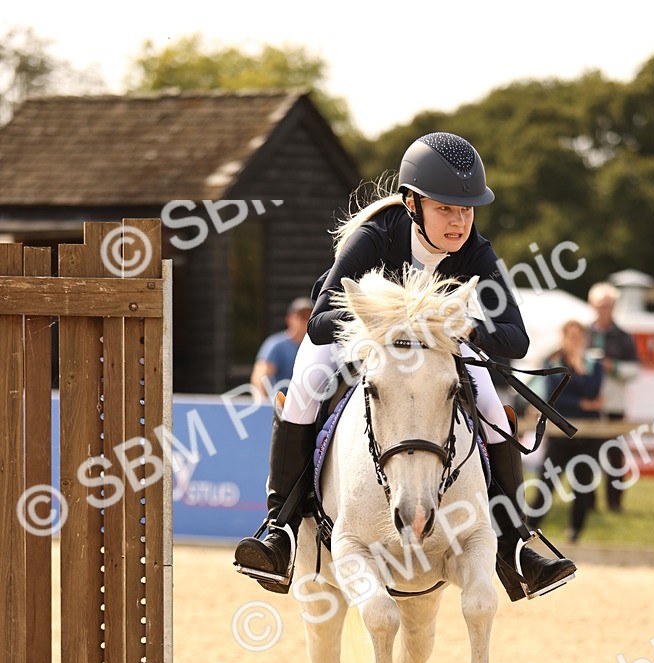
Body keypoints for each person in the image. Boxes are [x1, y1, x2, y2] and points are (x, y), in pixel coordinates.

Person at [234, 132, 577, 600]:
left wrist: (469, 328)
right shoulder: (375, 236)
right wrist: (388, 320)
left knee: (493, 412)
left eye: (467, 209)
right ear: (413, 204)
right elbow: (318, 322)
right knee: (303, 391)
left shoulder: (475, 250)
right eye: (446, 208)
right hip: (360, 335)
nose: (459, 222)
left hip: (438, 344)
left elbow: (516, 339)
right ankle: (281, 532)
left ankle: (517, 544)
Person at [540, 321, 604, 542]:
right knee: (547, 482)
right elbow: (554, 398)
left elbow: (594, 391)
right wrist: (584, 404)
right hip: (560, 434)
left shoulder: (593, 365)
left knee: (583, 484)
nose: (575, 341)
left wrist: (580, 369)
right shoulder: (552, 362)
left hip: (587, 436)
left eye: (579, 337)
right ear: (563, 337)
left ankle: (575, 530)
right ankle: (531, 526)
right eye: (571, 336)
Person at [587, 282, 640, 512]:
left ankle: (615, 502)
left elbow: (635, 369)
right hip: (589, 404)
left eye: (607, 305)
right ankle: (587, 502)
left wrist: (613, 367)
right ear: (592, 306)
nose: (603, 309)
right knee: (588, 454)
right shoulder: (585, 333)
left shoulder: (624, 337)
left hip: (614, 404)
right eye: (600, 305)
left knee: (614, 455)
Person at [250, 297, 313, 407]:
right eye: (301, 316)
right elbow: (259, 377)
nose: (305, 321)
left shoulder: (315, 348)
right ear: (289, 319)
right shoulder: (276, 345)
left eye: (309, 317)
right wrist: (262, 405)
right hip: (281, 408)